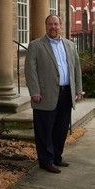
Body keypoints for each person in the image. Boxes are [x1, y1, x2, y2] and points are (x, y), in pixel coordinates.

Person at [24, 14, 83, 173]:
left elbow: (76, 68)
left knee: (61, 129)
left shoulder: (70, 45)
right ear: (46, 26)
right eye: (50, 24)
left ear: (61, 26)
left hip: (65, 93)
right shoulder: (36, 45)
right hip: (44, 95)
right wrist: (34, 91)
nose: (53, 27)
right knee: (44, 130)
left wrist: (78, 89)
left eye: (56, 24)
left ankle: (57, 157)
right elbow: (30, 71)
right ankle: (46, 161)